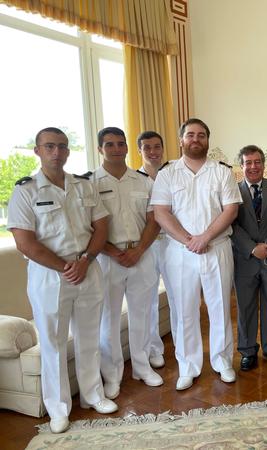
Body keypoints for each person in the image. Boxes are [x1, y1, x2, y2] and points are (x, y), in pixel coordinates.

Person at [7, 127, 117, 434]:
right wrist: (66, 267)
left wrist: (85, 261)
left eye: (62, 147)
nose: (57, 152)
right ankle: (58, 408)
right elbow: (25, 243)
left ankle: (93, 395)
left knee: (88, 337)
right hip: (49, 276)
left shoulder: (83, 186)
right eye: (50, 146)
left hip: (87, 266)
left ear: (68, 152)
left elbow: (101, 228)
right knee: (53, 343)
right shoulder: (25, 191)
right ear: (38, 151)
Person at [150, 118, 241, 390]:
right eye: (191, 135)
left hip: (217, 248)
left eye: (201, 135)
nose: (196, 139)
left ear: (208, 140)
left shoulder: (222, 172)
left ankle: (222, 361)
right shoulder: (167, 174)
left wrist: (205, 237)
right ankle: (188, 366)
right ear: (181, 140)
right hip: (180, 252)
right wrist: (189, 240)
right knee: (184, 310)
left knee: (220, 307)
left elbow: (231, 210)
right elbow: (160, 212)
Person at [91, 127, 162, 400]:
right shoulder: (90, 183)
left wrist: (139, 250)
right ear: (100, 149)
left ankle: (142, 367)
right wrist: (112, 252)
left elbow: (154, 220)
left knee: (142, 314)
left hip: (141, 255)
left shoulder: (142, 182)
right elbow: (89, 226)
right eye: (109, 144)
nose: (116, 149)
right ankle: (112, 376)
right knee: (108, 319)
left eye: (121, 143)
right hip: (108, 259)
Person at [232, 145, 267, 370]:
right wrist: (253, 248)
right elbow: (231, 224)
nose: (253, 167)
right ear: (241, 166)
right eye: (248, 163)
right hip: (245, 259)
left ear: (264, 164)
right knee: (245, 307)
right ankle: (247, 350)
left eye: (257, 162)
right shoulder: (233, 191)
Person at [137, 130, 172, 370]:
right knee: (148, 300)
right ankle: (153, 349)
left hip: (172, 244)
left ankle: (183, 346)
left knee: (178, 295)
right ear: (140, 150)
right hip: (147, 246)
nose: (152, 151)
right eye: (147, 147)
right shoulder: (134, 179)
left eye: (156, 146)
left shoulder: (172, 174)